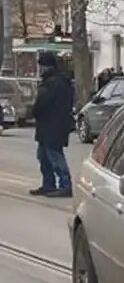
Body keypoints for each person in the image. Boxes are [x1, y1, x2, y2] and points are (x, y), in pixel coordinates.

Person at [28, 52, 75, 198]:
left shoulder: (54, 82)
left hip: (52, 125)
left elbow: (44, 103)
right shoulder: (57, 81)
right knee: (43, 155)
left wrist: (34, 111)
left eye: (41, 65)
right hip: (50, 125)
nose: (40, 69)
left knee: (54, 155)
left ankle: (65, 185)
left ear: (46, 66)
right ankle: (49, 185)